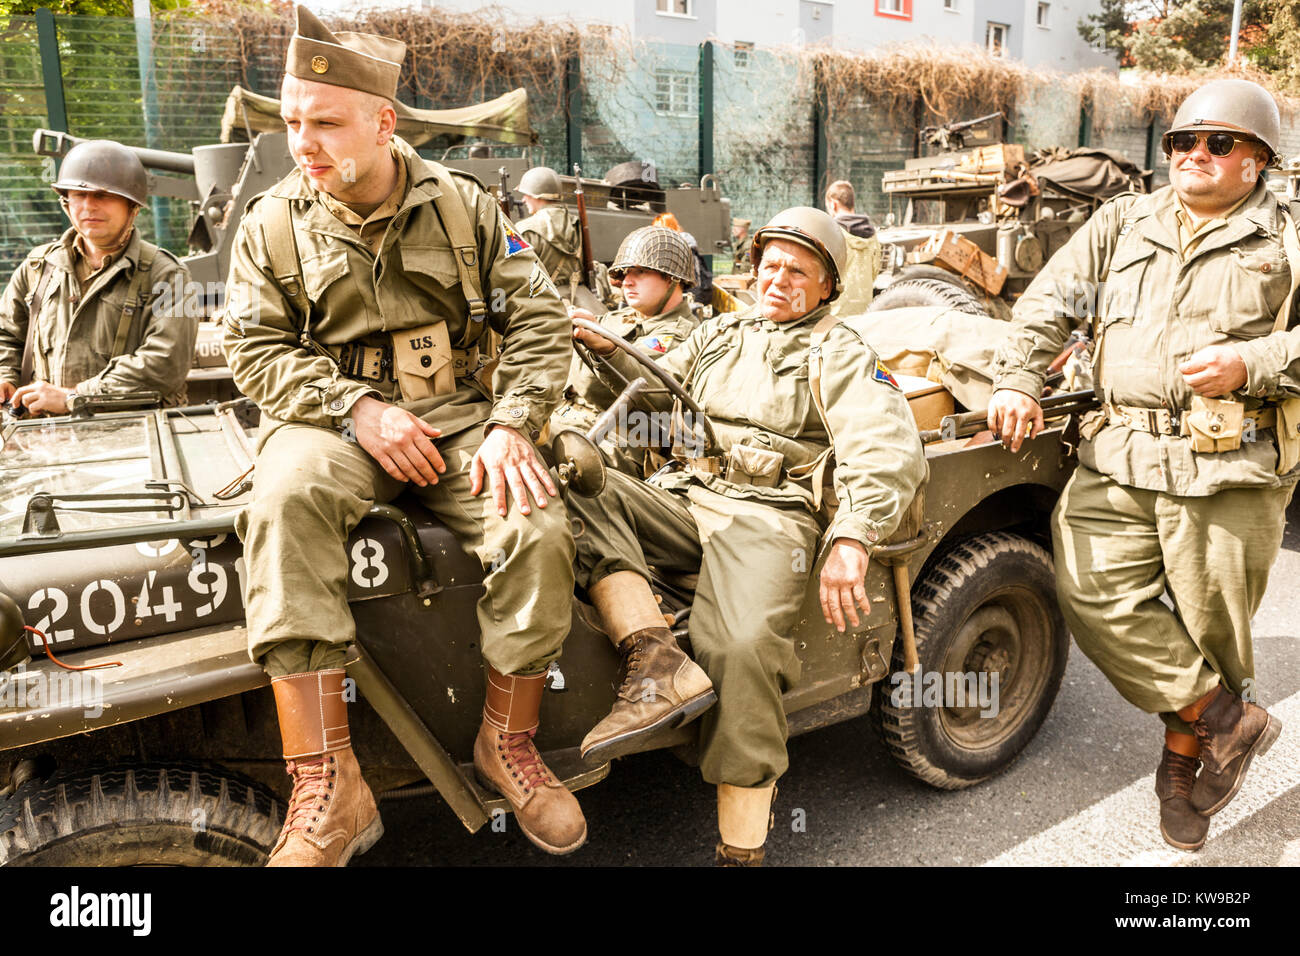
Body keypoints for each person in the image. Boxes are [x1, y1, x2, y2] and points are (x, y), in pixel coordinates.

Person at [222, 6, 590, 864]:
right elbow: (252, 348)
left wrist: (512, 424)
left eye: (325, 122)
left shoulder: (464, 208)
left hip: (460, 414)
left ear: (383, 122)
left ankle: (508, 741)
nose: (301, 142)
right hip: (330, 419)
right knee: (283, 504)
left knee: (534, 523)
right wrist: (356, 408)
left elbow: (538, 320)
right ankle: (329, 780)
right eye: (291, 121)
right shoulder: (272, 222)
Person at [567, 207, 927, 865]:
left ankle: (741, 851)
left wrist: (851, 536)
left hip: (769, 512)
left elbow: (886, 450)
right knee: (574, 486)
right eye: (770, 265)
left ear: (825, 289)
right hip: (686, 492)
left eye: (799, 271)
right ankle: (654, 659)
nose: (779, 279)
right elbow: (650, 390)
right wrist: (604, 353)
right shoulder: (719, 333)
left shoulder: (839, 350)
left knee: (739, 648)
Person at [987, 78, 1293, 854]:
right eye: (1183, 143)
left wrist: (1252, 361)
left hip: (1229, 460)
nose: (1196, 155)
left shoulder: (1287, 235)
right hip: (1118, 448)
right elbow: (1050, 302)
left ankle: (1182, 766)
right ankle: (1226, 718)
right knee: (1090, 592)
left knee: (1209, 623)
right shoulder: (1126, 220)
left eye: (1219, 142)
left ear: (1258, 160)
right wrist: (1021, 376)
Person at [0, 140, 195, 414]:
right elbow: (7, 334)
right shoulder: (38, 267)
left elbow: (165, 364)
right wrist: (5, 374)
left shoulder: (168, 275)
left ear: (132, 206)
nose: (89, 206)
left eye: (102, 195)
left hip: (133, 433)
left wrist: (74, 397)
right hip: (44, 435)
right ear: (66, 203)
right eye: (79, 195)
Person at [553, 225, 699, 474]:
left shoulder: (682, 335)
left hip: (619, 444)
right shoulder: (615, 319)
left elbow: (595, 388)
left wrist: (592, 345)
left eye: (640, 272)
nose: (626, 282)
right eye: (625, 273)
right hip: (570, 421)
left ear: (672, 277)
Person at [514, 166, 582, 287]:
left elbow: (513, 275)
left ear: (536, 195)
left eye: (526, 194)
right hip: (577, 296)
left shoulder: (523, 229)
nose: (523, 200)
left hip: (541, 300)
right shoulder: (576, 224)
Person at [823, 179, 880, 316]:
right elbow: (875, 272)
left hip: (835, 314)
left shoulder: (831, 233)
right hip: (864, 311)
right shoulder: (873, 236)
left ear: (833, 204)